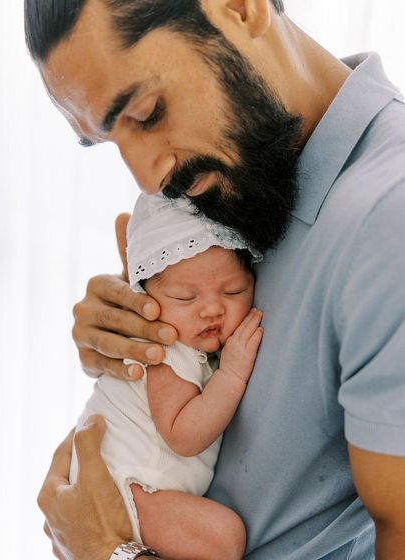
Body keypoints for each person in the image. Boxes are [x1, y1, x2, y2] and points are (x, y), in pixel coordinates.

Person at [24, 0, 405, 558]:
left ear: (239, 7)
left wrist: (112, 551)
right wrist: (120, 334)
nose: (147, 179)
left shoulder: (387, 220)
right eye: (110, 141)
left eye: (150, 112)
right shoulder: (246, 169)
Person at [69, 192, 264, 560]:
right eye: (185, 297)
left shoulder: (190, 337)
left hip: (142, 483)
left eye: (233, 290)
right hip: (123, 487)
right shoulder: (163, 350)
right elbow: (184, 435)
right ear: (146, 302)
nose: (211, 309)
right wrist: (234, 373)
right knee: (224, 539)